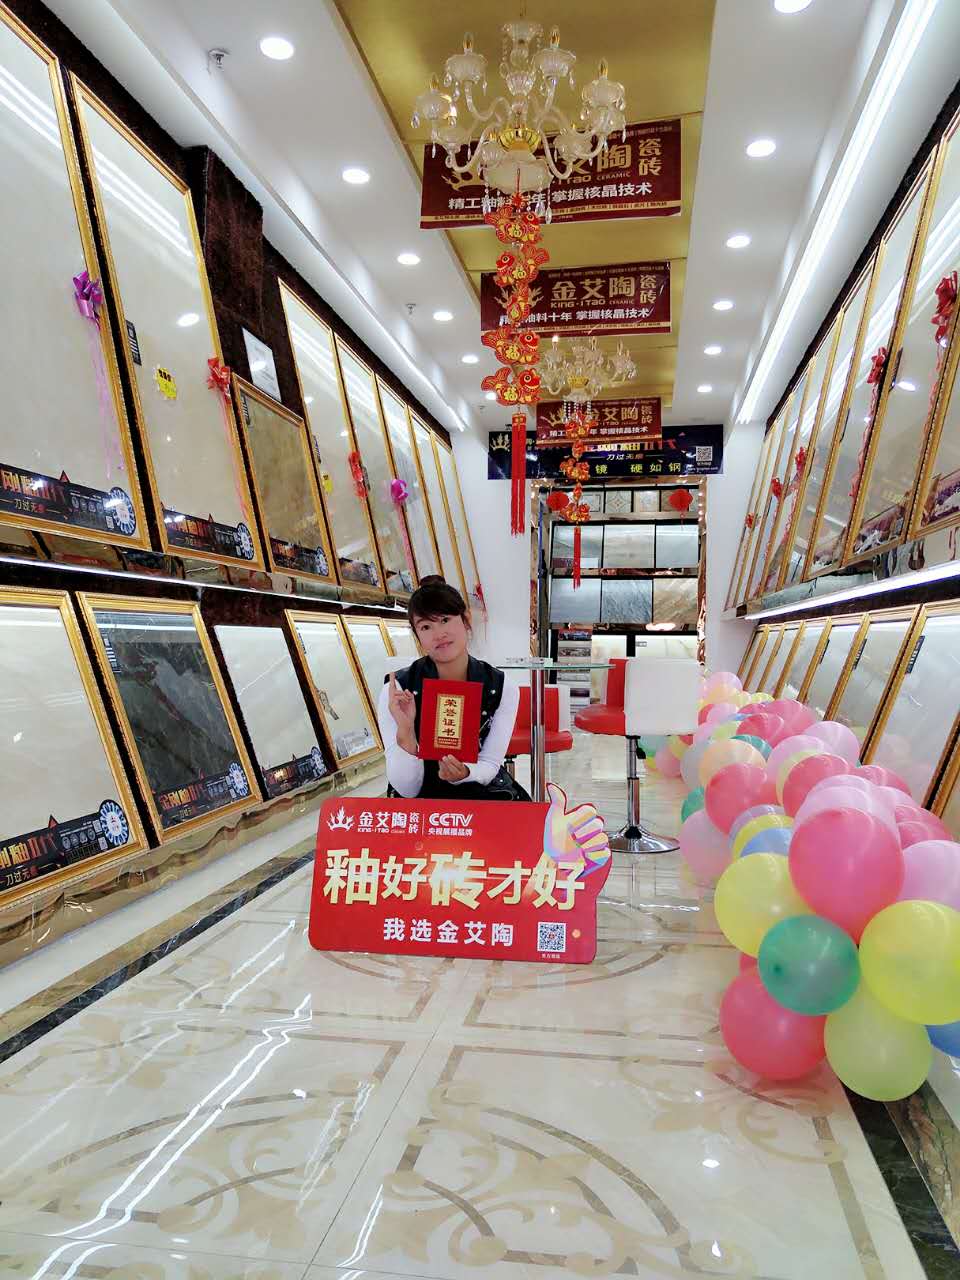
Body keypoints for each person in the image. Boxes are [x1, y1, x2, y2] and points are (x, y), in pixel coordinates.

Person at [378, 575, 528, 800]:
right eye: (426, 626)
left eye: (445, 620)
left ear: (465, 620)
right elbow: (406, 790)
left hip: (481, 794)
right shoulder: (398, 690)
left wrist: (465, 773)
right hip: (422, 806)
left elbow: (490, 763)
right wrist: (406, 732)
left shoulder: (502, 687)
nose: (439, 634)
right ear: (417, 636)